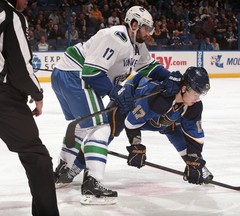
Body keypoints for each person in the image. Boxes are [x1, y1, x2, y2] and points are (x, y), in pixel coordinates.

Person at [51, 6, 182, 205]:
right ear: (134, 24)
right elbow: (91, 72)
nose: (148, 33)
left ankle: (61, 171)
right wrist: (116, 92)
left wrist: (170, 76)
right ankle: (92, 184)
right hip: (75, 76)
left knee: (83, 126)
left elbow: (148, 67)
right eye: (146, 28)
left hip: (66, 74)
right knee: (102, 127)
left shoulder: (136, 44)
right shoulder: (116, 37)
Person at [0, 0, 59, 215]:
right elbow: (20, 63)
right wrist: (37, 94)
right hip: (4, 98)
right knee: (37, 156)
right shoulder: (11, 15)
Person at [108, 66, 213, 185]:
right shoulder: (160, 100)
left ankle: (200, 168)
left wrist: (194, 161)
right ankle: (88, 166)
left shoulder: (194, 106)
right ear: (184, 88)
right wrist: (136, 146)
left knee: (176, 131)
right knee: (107, 131)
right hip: (128, 104)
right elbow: (132, 122)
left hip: (160, 118)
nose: (197, 98)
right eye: (195, 93)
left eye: (200, 94)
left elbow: (194, 134)